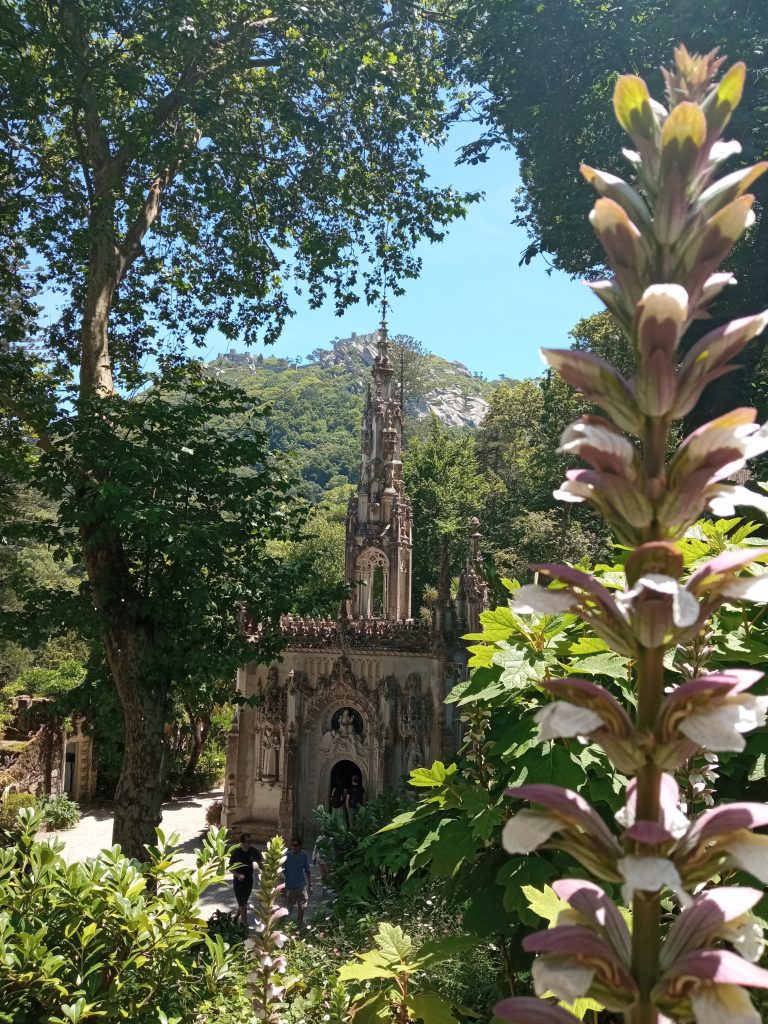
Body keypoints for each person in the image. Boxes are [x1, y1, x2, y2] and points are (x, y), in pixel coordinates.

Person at [229, 833, 263, 925]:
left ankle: (236, 918)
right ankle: (244, 926)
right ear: (242, 842)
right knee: (244, 906)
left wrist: (266, 872)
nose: (250, 843)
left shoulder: (253, 851)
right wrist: (238, 875)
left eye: (251, 841)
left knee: (243, 902)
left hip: (249, 881)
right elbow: (230, 868)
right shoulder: (236, 853)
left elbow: (260, 863)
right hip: (238, 882)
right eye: (248, 841)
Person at [284, 836, 311, 927]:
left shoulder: (304, 855)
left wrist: (310, 884)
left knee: (302, 907)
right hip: (289, 887)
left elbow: (307, 870)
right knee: (287, 909)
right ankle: (280, 925)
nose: (294, 847)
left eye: (296, 845)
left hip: (301, 886)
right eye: (292, 845)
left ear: (300, 846)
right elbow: (281, 872)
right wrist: (281, 886)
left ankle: (298, 927)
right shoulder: (287, 856)